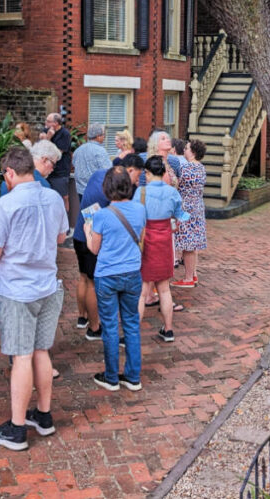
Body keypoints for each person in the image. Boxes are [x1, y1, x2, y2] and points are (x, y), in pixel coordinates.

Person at [0, 147, 68, 451]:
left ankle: (17, 429)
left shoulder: (6, 205)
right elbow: (60, 237)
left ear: (9, 172)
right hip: (48, 285)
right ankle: (43, 416)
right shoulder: (54, 198)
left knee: (21, 356)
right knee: (41, 351)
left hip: (18, 289)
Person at [70, 154, 144, 338]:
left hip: (80, 232)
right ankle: (94, 328)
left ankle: (82, 317)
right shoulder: (112, 191)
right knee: (94, 283)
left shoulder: (99, 175)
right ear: (129, 171)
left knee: (83, 278)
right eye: (137, 176)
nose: (136, 182)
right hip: (91, 237)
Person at [85, 167, 145, 391]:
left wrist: (88, 229)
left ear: (107, 188)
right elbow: (139, 237)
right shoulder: (140, 210)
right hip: (132, 272)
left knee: (110, 326)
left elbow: (94, 249)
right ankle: (132, 376)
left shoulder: (101, 215)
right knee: (131, 324)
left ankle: (111, 377)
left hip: (107, 274)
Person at [134, 155, 189, 342]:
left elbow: (135, 218)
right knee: (164, 289)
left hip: (147, 241)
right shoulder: (173, 192)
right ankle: (168, 329)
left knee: (142, 291)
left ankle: (133, 334)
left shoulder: (140, 192)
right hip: (165, 240)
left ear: (147, 173)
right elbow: (181, 218)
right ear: (164, 172)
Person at [171, 139, 208, 289]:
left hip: (187, 207)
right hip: (198, 206)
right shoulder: (201, 168)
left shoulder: (186, 169)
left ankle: (188, 279)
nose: (184, 150)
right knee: (193, 243)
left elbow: (176, 184)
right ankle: (193, 274)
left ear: (192, 152)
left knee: (187, 244)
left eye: (186, 148)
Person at [38, 112, 72, 208]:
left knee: (62, 197)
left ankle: (65, 219)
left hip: (60, 172)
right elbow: (40, 149)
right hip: (45, 172)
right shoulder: (46, 130)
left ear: (56, 123)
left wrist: (48, 138)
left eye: (48, 121)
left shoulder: (64, 134)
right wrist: (45, 138)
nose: (46, 123)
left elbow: (56, 155)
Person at [73, 123, 112, 198]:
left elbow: (74, 165)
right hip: (97, 192)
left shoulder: (78, 150)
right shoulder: (100, 151)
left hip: (81, 192)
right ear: (98, 136)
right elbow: (108, 171)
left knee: (84, 209)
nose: (104, 137)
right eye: (104, 135)